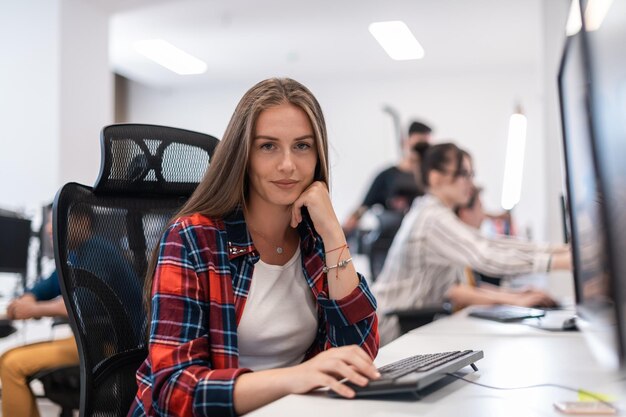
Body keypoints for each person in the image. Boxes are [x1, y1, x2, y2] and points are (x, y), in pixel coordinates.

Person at [128, 78, 380, 417]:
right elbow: (174, 389)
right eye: (268, 146)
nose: (288, 165)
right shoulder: (193, 238)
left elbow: (358, 353)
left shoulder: (314, 239)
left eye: (302, 146)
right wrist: (293, 379)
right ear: (242, 155)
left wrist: (334, 234)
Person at [372, 142, 572, 345]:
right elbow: (485, 256)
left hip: (407, 324)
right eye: (464, 174)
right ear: (436, 178)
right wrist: (560, 262)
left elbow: (488, 243)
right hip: (390, 329)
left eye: (471, 174)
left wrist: (558, 250)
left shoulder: (434, 212)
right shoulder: (432, 218)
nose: (470, 183)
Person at [343, 121, 432, 234]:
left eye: (426, 147)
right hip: (389, 238)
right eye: (418, 145)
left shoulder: (431, 180)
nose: (421, 151)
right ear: (405, 142)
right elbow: (363, 207)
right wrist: (342, 232)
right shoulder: (387, 176)